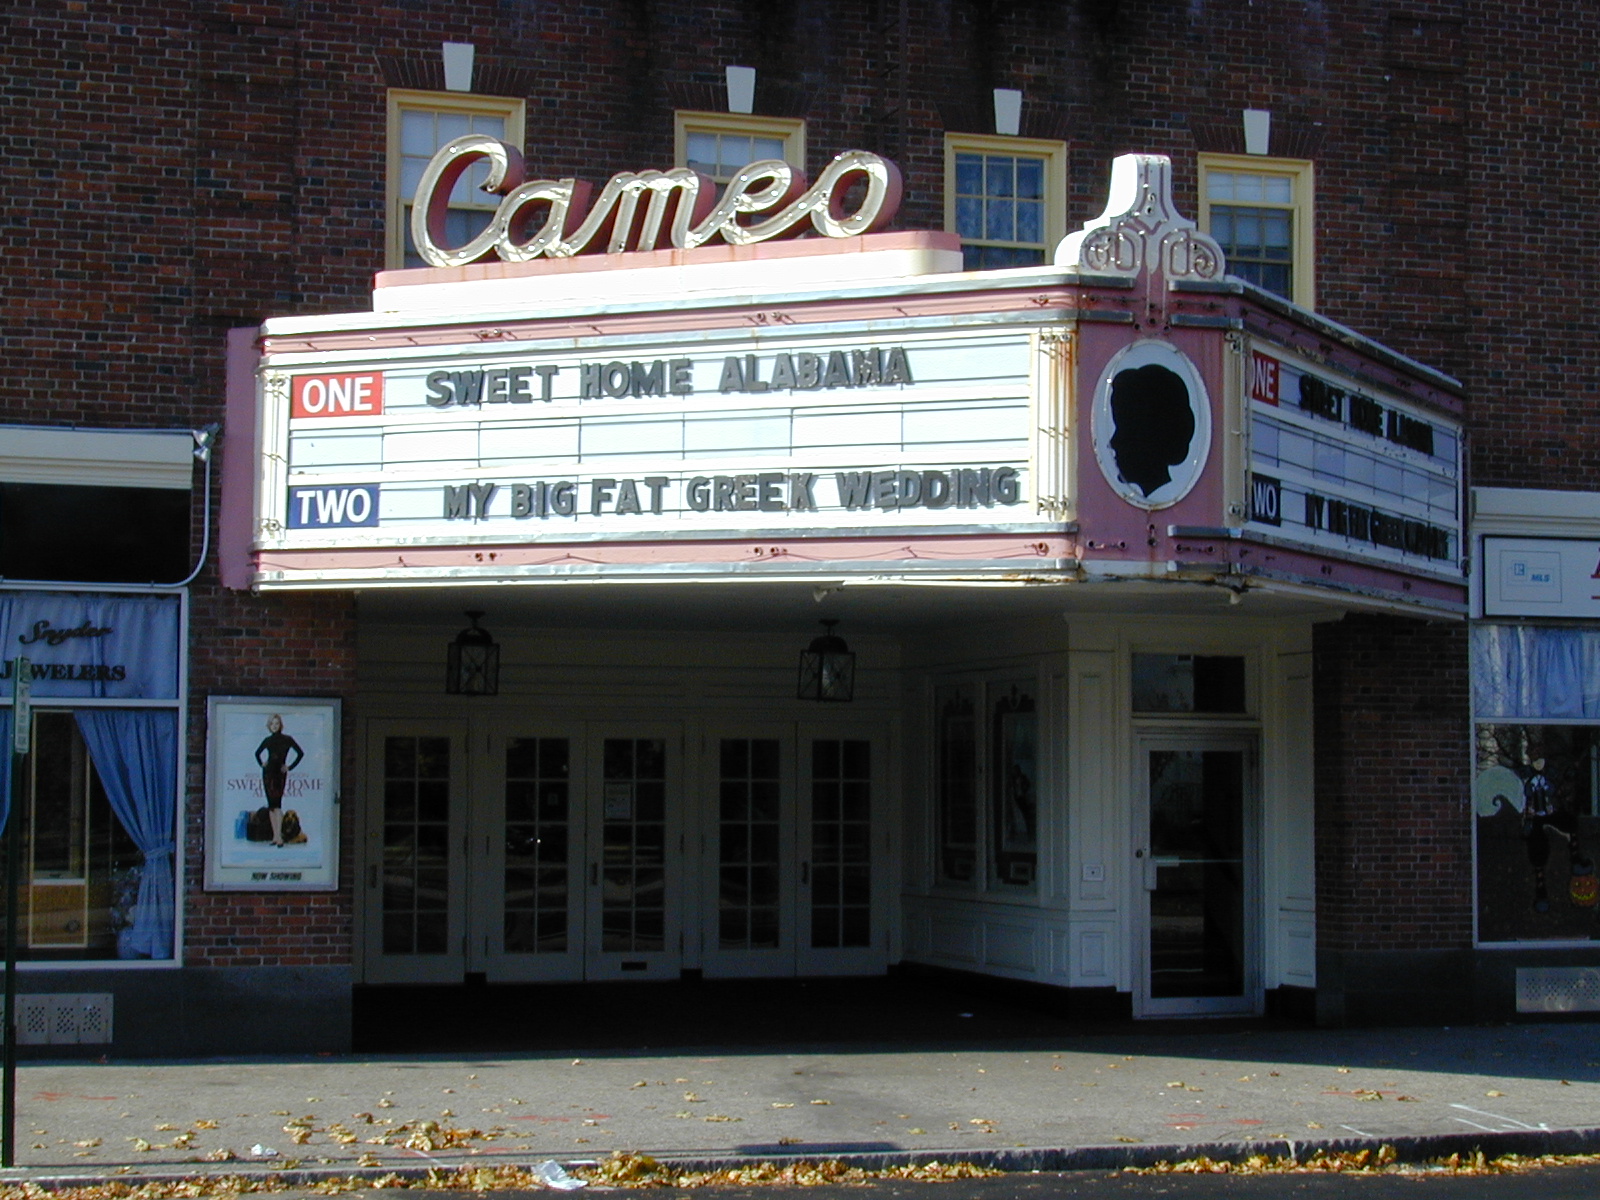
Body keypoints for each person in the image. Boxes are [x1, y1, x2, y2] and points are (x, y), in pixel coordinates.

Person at [256, 713, 305, 847]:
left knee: (277, 805)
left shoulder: (287, 739)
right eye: (272, 724)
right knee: (271, 806)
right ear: (269, 726)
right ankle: (275, 836)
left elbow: (300, 753)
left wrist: (289, 767)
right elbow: (257, 753)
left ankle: (280, 838)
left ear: (280, 725)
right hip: (268, 773)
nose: (274, 726)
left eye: (277, 724)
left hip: (279, 774)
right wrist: (262, 763)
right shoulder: (267, 740)